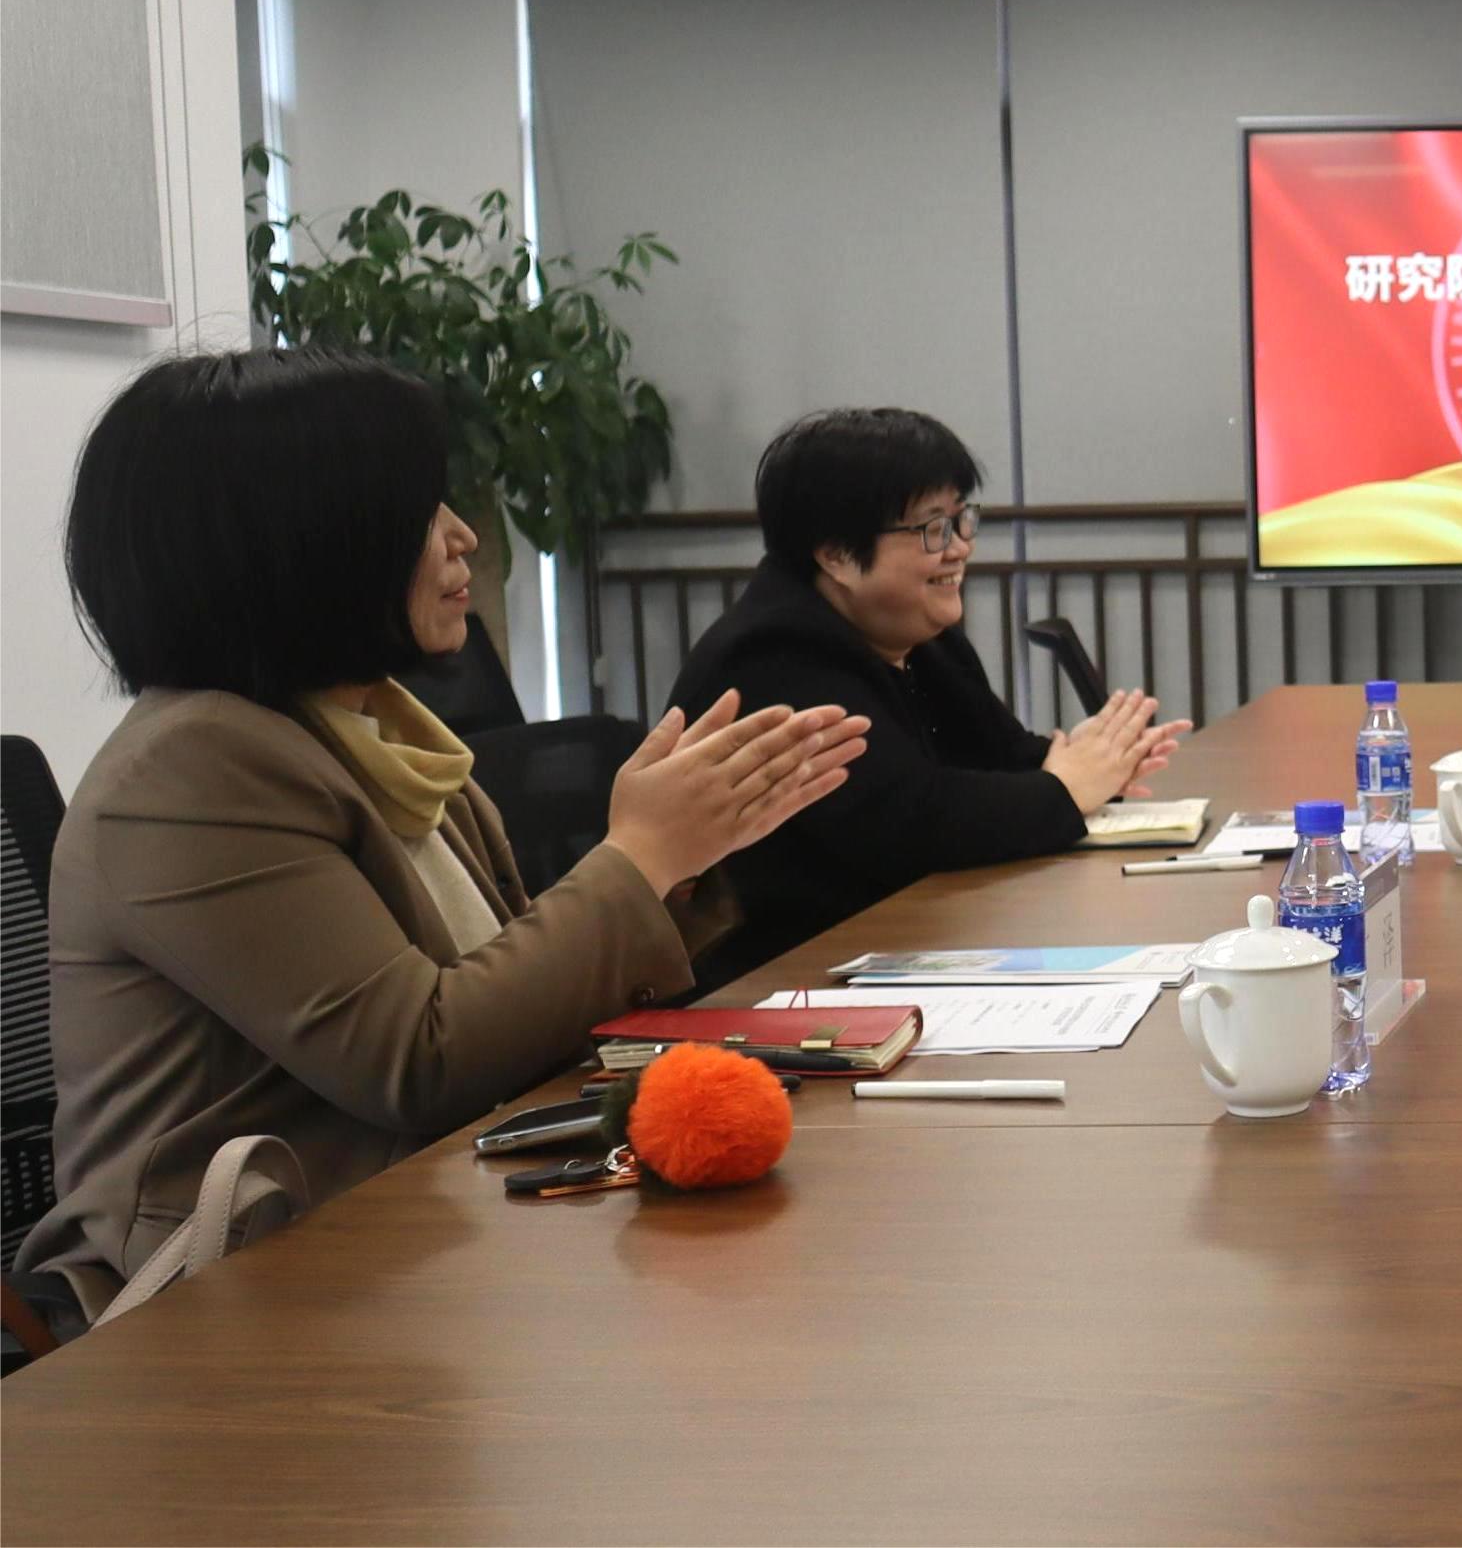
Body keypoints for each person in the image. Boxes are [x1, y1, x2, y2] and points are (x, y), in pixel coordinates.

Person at [24, 351, 867, 1324]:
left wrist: (683, 857)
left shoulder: (374, 731)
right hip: (235, 1305)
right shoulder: (190, 770)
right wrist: (639, 856)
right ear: (304, 537)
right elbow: (419, 1062)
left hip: (414, 1232)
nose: (464, 535)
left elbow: (507, 1005)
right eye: (423, 509)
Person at [666, 409, 1189, 967]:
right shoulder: (772, 656)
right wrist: (1064, 788)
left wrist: (1093, 760)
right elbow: (909, 823)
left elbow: (1003, 755)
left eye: (962, 520)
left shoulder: (917, 636)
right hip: (792, 976)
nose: (959, 547)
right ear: (836, 553)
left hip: (911, 940)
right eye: (932, 528)